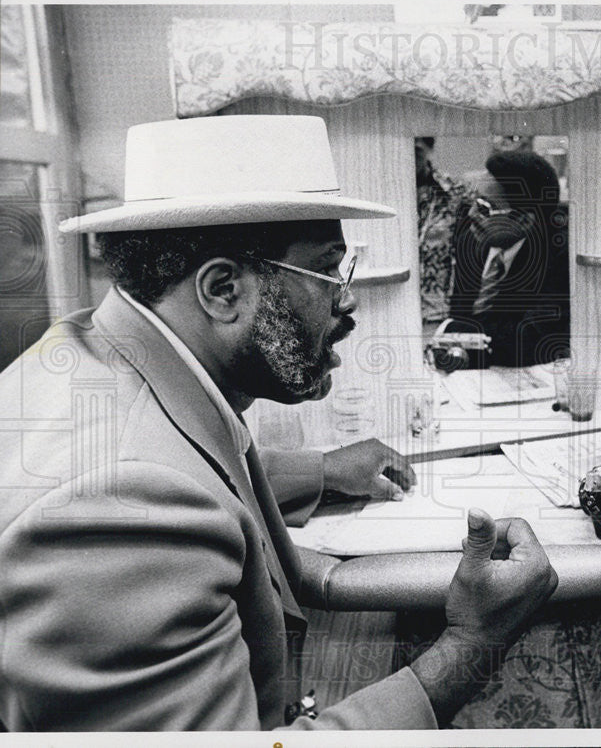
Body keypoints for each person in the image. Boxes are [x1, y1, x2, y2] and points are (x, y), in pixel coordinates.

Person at [0, 114, 558, 731]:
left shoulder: (92, 350)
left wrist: (320, 471)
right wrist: (473, 644)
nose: (346, 301)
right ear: (223, 290)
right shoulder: (120, 511)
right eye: (327, 270)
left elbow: (185, 465)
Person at [446, 149, 570, 367]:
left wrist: (454, 334)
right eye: (473, 202)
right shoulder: (474, 237)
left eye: (485, 207)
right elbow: (461, 315)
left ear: (524, 221)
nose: (471, 214)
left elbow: (528, 341)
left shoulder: (560, 259)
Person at [415, 137, 470, 326]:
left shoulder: (454, 191)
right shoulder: (382, 191)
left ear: (429, 150)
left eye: (416, 151)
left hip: (437, 308)